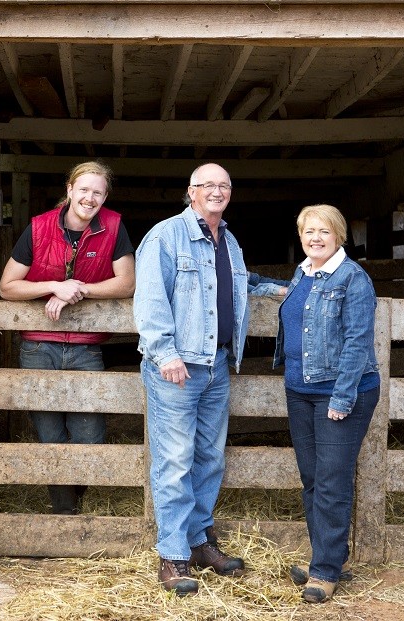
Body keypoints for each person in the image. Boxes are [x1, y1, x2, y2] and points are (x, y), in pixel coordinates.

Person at [133, 163, 283, 595]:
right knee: (175, 460)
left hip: (216, 365)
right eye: (207, 185)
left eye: (224, 186)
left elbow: (239, 284)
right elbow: (150, 298)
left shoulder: (229, 240)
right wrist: (164, 353)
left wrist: (286, 290)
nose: (216, 191)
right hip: (177, 367)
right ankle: (173, 555)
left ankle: (199, 542)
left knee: (210, 458)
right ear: (191, 192)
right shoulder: (165, 236)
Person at [0, 161, 135, 515]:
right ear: (70, 189)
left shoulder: (114, 227)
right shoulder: (39, 227)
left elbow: (127, 282)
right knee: (49, 434)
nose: (90, 198)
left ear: (105, 197)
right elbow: (7, 287)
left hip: (85, 347)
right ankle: (64, 512)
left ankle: (74, 493)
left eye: (98, 192)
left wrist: (79, 290)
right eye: (84, 189)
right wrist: (54, 286)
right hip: (38, 346)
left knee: (90, 435)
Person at [272, 204, 381, 604]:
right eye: (308, 231)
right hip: (300, 389)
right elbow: (291, 304)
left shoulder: (353, 278)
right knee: (313, 478)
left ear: (339, 236)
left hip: (342, 390)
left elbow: (357, 342)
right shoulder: (304, 273)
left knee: (332, 482)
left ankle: (325, 571)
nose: (315, 238)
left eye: (324, 232)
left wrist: (343, 395)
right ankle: (325, 556)